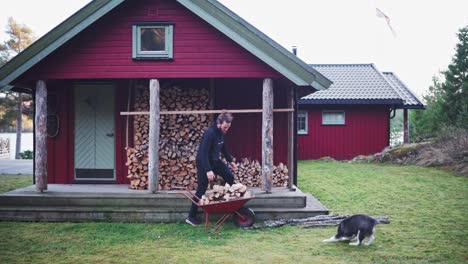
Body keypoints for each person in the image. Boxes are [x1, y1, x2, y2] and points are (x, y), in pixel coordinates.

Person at [186, 111, 238, 226]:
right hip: (203, 162)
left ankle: (226, 202)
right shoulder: (210, 133)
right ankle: (191, 216)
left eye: (228, 127)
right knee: (201, 189)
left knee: (229, 177)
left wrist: (230, 161)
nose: (226, 130)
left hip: (215, 161)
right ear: (219, 123)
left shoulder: (221, 133)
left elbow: (223, 147)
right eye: (225, 127)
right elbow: (203, 153)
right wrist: (208, 170)